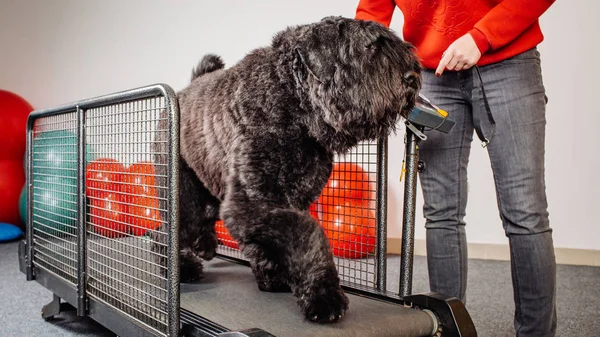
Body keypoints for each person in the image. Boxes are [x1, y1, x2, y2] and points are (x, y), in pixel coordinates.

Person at [354, 1, 557, 336]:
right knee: (441, 211)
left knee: (525, 213)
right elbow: (371, 15)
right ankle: (449, 330)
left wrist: (480, 38)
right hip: (432, 73)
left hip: (508, 64)